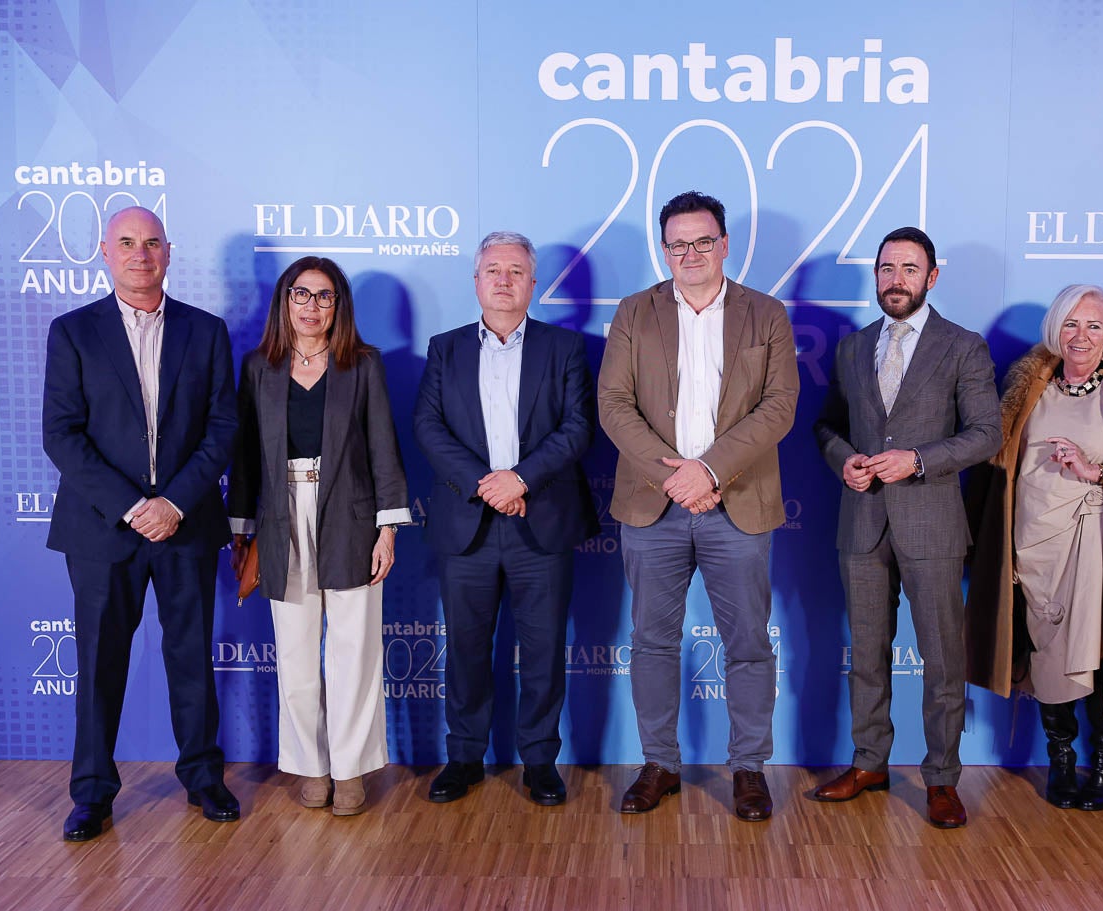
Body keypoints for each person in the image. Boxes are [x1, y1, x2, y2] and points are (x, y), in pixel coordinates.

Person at [598, 191, 798, 821]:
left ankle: (749, 770)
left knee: (747, 645)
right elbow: (613, 405)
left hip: (735, 502)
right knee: (652, 642)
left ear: (724, 245)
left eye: (702, 241)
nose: (690, 253)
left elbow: (779, 406)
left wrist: (709, 470)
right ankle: (658, 762)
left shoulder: (766, 314)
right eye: (677, 244)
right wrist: (677, 476)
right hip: (654, 504)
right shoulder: (635, 313)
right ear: (664, 250)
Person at [43, 206, 239, 841]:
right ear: (105, 252)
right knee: (100, 661)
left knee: (191, 654)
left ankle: (203, 776)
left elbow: (222, 429)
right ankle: (93, 792)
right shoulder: (72, 332)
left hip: (185, 523)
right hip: (103, 528)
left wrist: (173, 504)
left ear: (169, 252)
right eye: (126, 243)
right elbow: (62, 436)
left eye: (151, 243)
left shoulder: (206, 332)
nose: (140, 254)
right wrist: (133, 507)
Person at [812, 226, 1000, 828]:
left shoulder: (963, 346)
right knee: (867, 654)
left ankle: (941, 778)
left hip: (933, 525)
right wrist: (842, 458)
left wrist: (917, 461)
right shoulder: (853, 347)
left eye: (909, 269)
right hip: (862, 524)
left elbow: (986, 434)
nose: (896, 280)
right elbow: (827, 425)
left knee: (943, 660)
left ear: (932, 277)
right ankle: (869, 763)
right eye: (886, 269)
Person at [966, 285, 1103, 813]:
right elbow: (996, 468)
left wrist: (1095, 471)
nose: (1081, 337)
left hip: (1101, 546)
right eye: (1072, 325)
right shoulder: (1028, 386)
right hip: (1033, 546)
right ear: (1056, 330)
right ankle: (1060, 760)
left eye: (1094, 326)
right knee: (1047, 653)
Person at [415, 231, 597, 807]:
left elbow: (578, 429)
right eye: (492, 269)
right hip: (466, 523)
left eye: (515, 271)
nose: (502, 279)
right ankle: (464, 757)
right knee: (466, 649)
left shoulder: (564, 348)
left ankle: (540, 761)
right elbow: (428, 427)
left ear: (532, 284)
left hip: (539, 521)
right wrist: (486, 485)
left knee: (543, 651)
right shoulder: (444, 349)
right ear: (475, 282)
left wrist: (519, 480)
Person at [227, 256, 408, 816]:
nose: (311, 306)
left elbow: (383, 447)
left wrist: (388, 527)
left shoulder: (363, 364)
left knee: (354, 651)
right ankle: (313, 767)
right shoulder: (260, 366)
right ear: (285, 302)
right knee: (298, 654)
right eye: (300, 295)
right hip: (281, 516)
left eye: (324, 296)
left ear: (339, 306)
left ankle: (351, 770)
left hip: (352, 516)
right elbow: (246, 455)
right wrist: (241, 528)